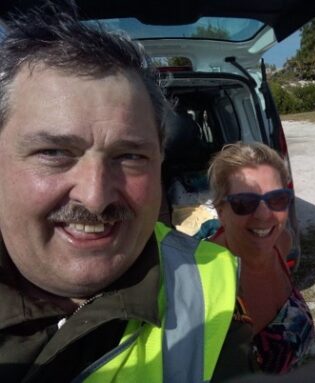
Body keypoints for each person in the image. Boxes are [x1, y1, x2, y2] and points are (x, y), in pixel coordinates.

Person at [0, 7, 254, 381]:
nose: (95, 197)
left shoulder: (207, 285)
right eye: (54, 152)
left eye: (130, 156)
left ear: (160, 160)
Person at [207, 142, 314, 373]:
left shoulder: (281, 242)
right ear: (220, 210)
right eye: (244, 203)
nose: (265, 215)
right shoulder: (205, 283)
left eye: (276, 199)